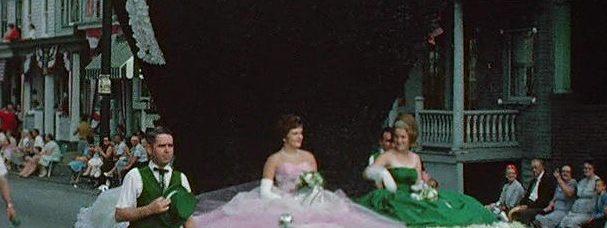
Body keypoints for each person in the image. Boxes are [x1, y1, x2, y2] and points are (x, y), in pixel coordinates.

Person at [193, 114, 404, 228]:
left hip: (309, 200)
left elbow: (316, 182)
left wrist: (311, 194)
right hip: (281, 201)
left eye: (301, 133)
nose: (300, 137)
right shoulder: (274, 159)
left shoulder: (309, 157)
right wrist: (286, 200)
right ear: (284, 136)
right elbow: (266, 190)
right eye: (295, 134)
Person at [358, 119, 497, 226]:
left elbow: (418, 182)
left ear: (409, 138)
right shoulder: (387, 156)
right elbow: (367, 173)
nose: (399, 141)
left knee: (453, 205)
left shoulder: (415, 158)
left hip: (412, 196)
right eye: (397, 137)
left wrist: (425, 191)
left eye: (403, 137)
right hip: (393, 198)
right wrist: (383, 173)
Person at [509, 158, 557, 223]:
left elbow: (543, 200)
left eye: (535, 168)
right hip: (529, 204)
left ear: (542, 167)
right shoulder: (533, 181)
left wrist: (527, 206)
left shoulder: (548, 180)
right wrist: (521, 205)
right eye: (532, 168)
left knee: (525, 213)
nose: (533, 170)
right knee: (513, 210)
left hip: (540, 207)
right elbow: (527, 196)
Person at [558, 160, 600, 228]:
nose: (587, 170)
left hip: (587, 214)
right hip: (575, 212)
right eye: (585, 168)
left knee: (572, 223)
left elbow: (601, 198)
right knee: (563, 222)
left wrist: (596, 214)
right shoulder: (581, 181)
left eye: (589, 168)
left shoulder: (597, 181)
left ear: (593, 169)